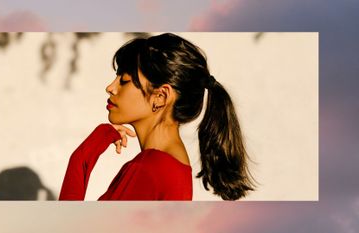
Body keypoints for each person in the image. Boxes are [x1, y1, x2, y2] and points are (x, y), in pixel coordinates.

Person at [59, 33, 254, 201]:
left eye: (124, 80)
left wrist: (82, 158)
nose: (110, 87)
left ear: (160, 97)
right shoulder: (175, 168)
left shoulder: (147, 170)